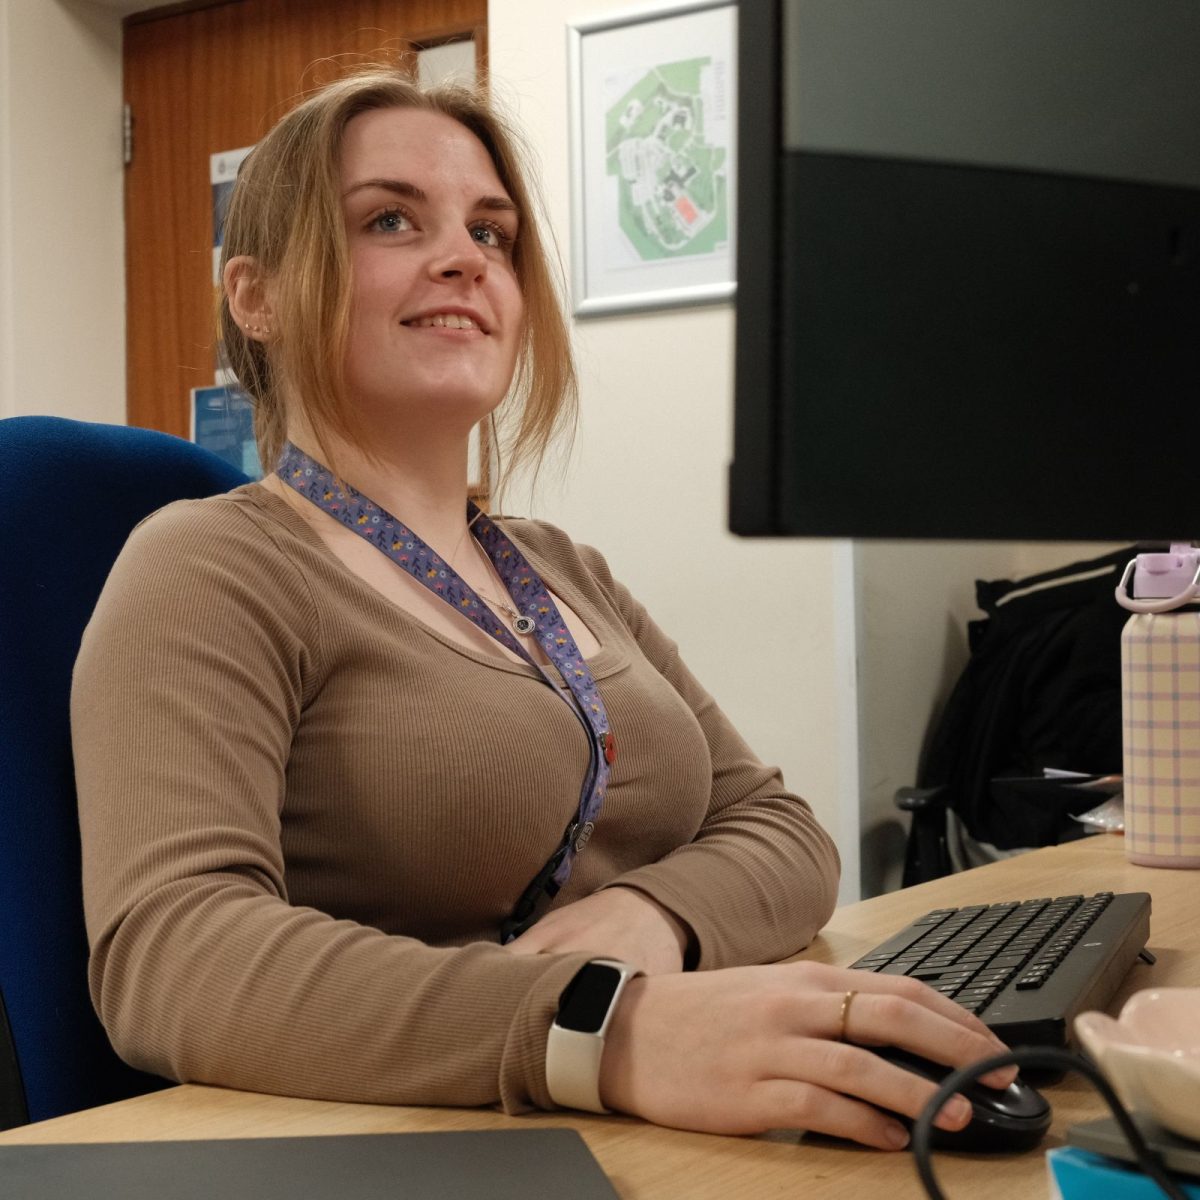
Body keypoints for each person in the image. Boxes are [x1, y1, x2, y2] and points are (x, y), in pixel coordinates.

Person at [71, 67, 1016, 1151]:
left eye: (493, 232)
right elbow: (172, 958)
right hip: (428, 1150)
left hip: (659, 1117)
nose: (465, 257)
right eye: (390, 219)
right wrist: (602, 1029)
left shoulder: (561, 567)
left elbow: (784, 834)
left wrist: (652, 920)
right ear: (258, 296)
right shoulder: (208, 565)